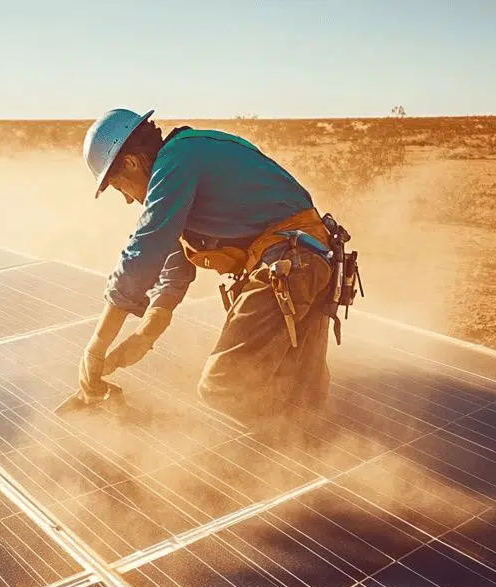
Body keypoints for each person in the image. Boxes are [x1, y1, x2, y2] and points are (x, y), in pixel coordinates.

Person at [74, 108, 352, 434]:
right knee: (303, 393)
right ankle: (306, 454)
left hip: (291, 265)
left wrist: (95, 348)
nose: (125, 199)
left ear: (132, 163)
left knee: (224, 385)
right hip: (309, 263)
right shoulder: (184, 164)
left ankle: (278, 451)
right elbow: (172, 273)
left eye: (119, 186)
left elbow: (143, 252)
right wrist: (143, 336)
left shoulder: (177, 160)